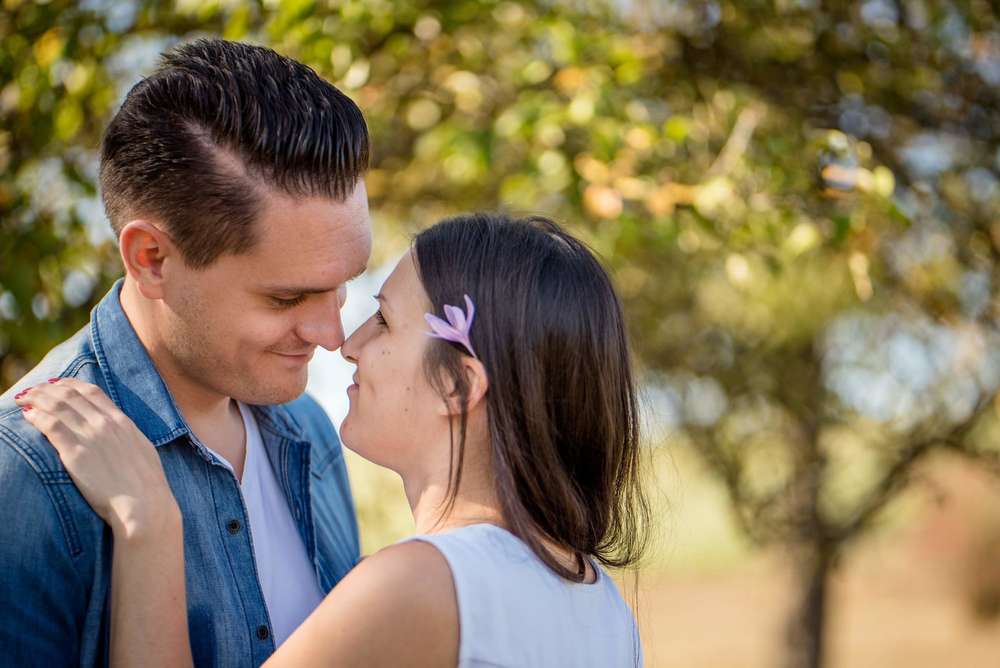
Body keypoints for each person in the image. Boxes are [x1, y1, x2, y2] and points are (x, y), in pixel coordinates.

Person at [16, 214, 649, 667]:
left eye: (384, 320)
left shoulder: (419, 585)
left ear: (457, 386)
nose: (347, 343)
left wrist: (147, 522)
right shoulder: (602, 605)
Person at [0, 39, 371, 666]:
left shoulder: (309, 431)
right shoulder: (29, 479)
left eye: (342, 286)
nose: (333, 336)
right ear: (152, 259)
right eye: (287, 298)